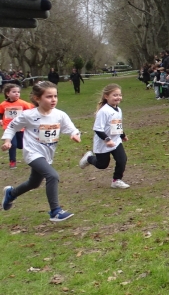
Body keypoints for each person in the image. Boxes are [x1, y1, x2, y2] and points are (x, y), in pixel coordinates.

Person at [1, 81, 81, 222]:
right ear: (37, 99)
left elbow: (71, 128)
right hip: (32, 153)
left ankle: (11, 193)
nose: (53, 99)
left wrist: (75, 134)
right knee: (52, 175)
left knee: (34, 183)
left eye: (55, 96)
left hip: (47, 154)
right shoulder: (28, 115)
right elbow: (12, 126)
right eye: (49, 96)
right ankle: (55, 211)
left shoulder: (60, 115)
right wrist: (7, 141)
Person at [78, 84, 130, 189]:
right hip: (102, 142)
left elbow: (117, 125)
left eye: (120, 95)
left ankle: (116, 180)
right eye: (115, 95)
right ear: (106, 96)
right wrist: (107, 139)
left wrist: (123, 135)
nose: (118, 97)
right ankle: (89, 158)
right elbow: (98, 129)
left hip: (116, 141)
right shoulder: (103, 111)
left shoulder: (118, 110)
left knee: (122, 159)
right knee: (102, 165)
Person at [0, 83, 34, 169]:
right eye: (14, 92)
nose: (17, 93)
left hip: (21, 127)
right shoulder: (3, 104)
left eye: (18, 92)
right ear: (8, 93)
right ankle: (12, 161)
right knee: (12, 144)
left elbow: (32, 109)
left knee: (22, 145)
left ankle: (32, 159)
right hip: (9, 127)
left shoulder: (22, 103)